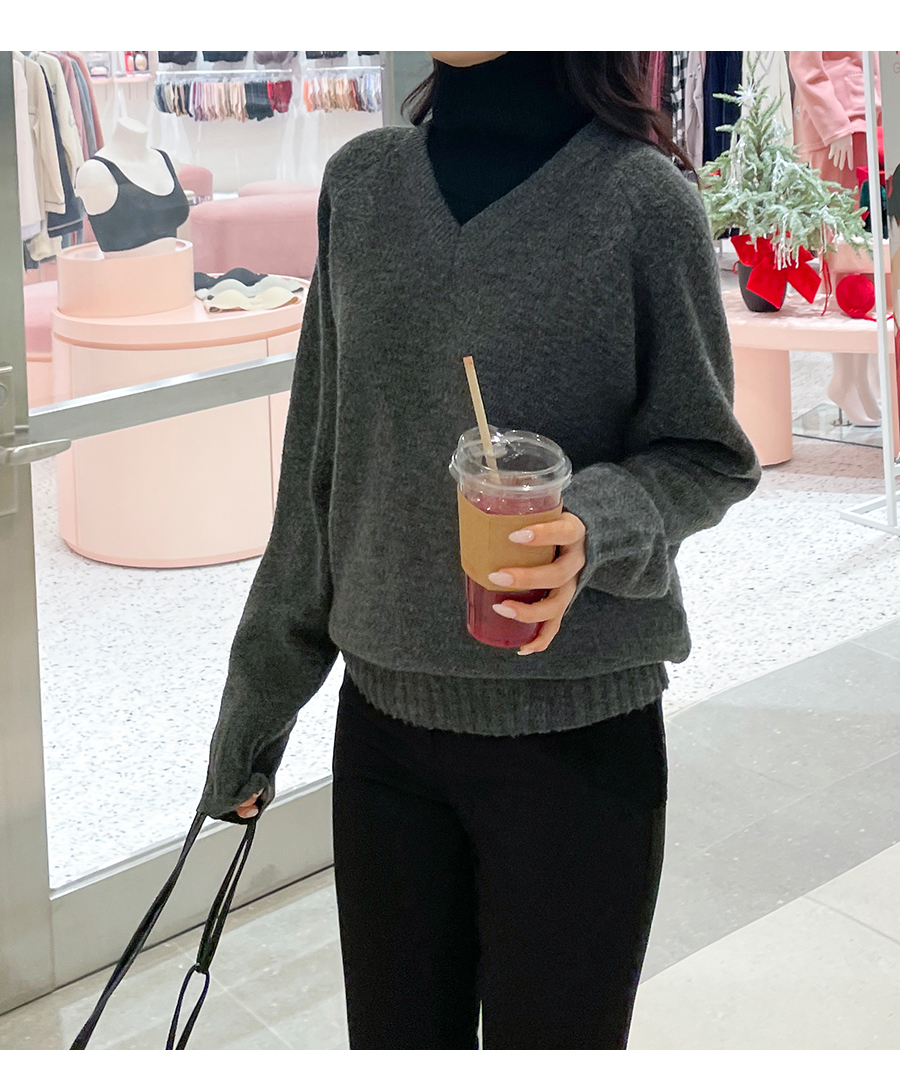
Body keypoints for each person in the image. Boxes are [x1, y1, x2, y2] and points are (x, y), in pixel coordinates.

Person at [197, 51, 761, 1049]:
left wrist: (589, 522)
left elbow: (707, 453)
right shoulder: (363, 186)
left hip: (579, 741)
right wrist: (258, 703)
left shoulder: (644, 201)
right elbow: (321, 468)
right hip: (384, 739)